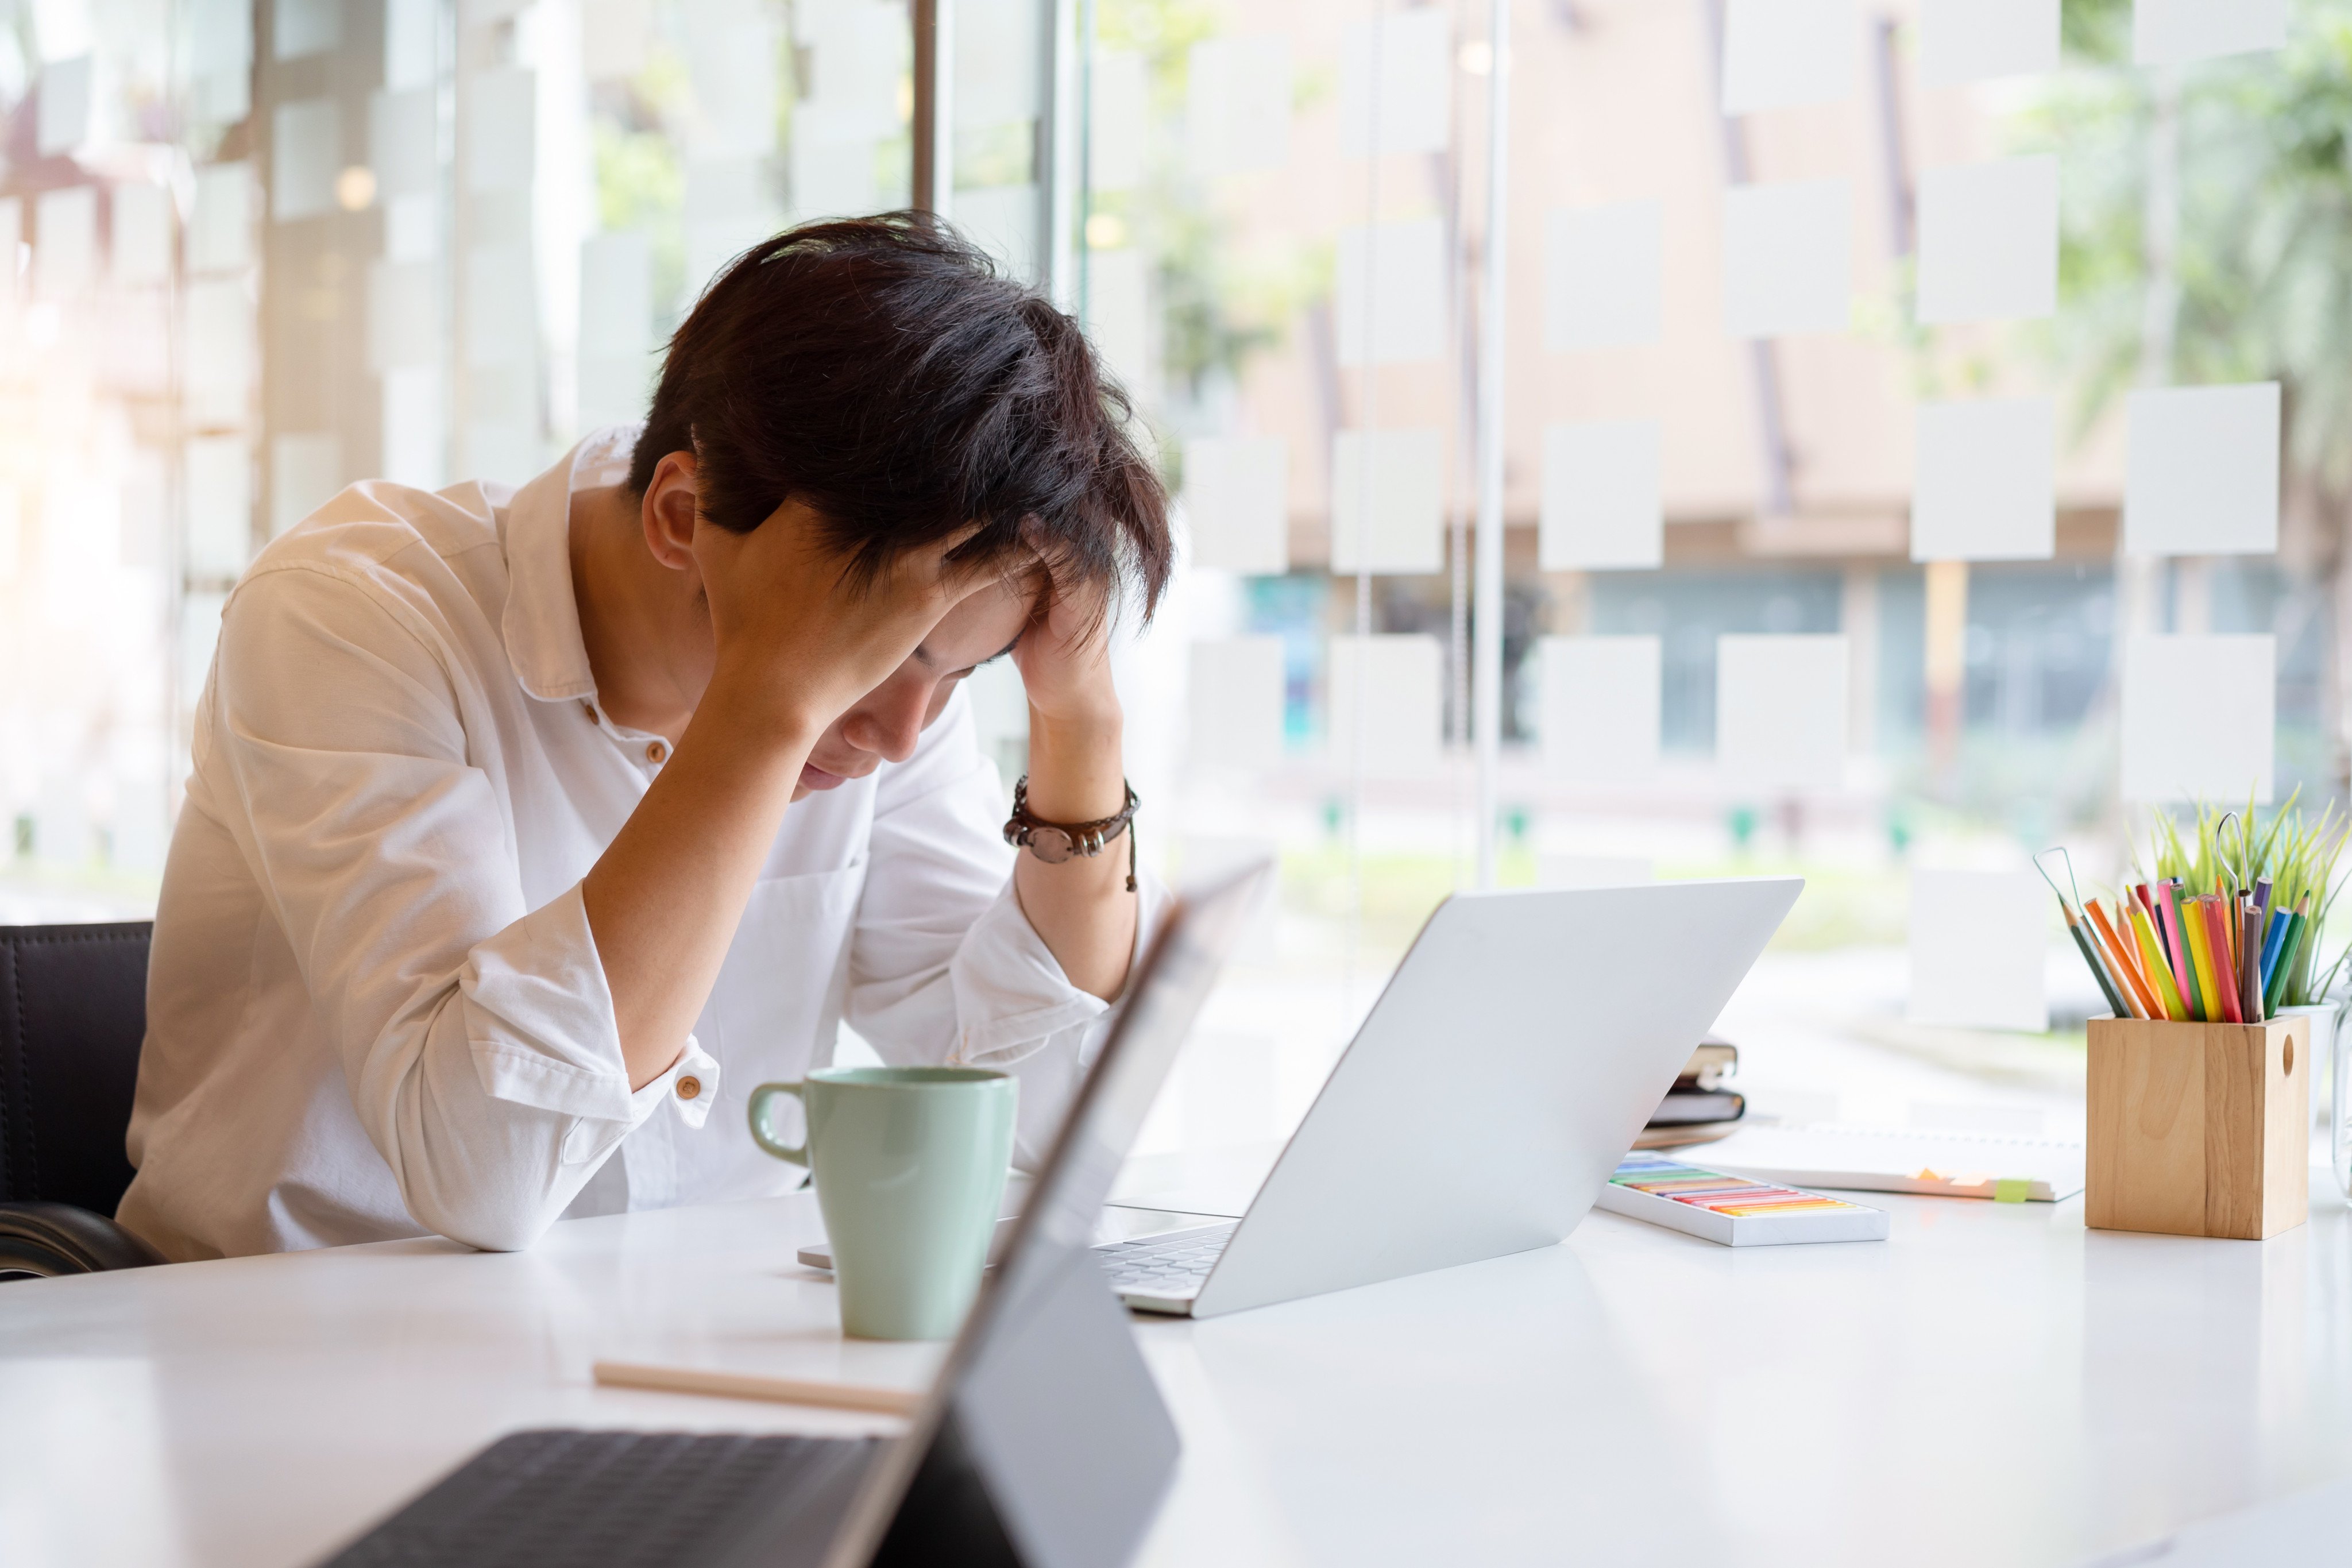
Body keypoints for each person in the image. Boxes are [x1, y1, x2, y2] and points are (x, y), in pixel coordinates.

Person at [117, 215, 1173, 1261]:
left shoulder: (895, 713)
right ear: (681, 516)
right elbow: (483, 1167)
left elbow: (1045, 1120)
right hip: (289, 1352)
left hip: (675, 1346)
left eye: (960, 672)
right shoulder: (352, 617)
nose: (900, 736)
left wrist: (1082, 719)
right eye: (883, 659)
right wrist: (770, 709)